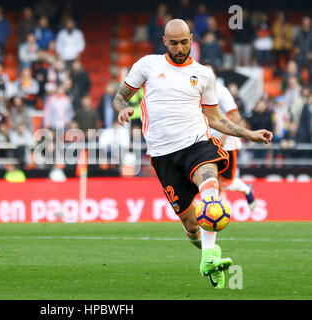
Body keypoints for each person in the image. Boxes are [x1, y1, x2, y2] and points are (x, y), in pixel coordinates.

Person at [113, 19, 273, 289]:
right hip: (163, 154)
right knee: (189, 223)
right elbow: (120, 95)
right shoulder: (147, 65)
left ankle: (211, 254)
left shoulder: (204, 74)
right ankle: (206, 255)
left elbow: (214, 118)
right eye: (173, 43)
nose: (179, 47)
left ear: (192, 40)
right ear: (165, 41)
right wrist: (122, 108)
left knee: (210, 182)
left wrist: (250, 134)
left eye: (184, 42)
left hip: (197, 143)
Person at [204, 63, 256, 211]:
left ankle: (246, 189)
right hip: (206, 143)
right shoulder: (196, 92)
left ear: (214, 76)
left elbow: (236, 117)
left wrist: (224, 137)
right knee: (207, 176)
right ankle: (215, 209)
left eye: (209, 73)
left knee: (228, 182)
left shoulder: (221, 91)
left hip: (226, 144)